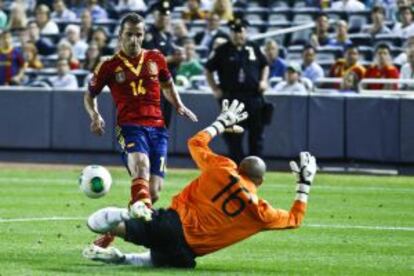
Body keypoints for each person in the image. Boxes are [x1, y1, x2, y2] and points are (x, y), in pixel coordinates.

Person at [82, 99, 317, 269]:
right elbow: (295, 220)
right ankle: (122, 258)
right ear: (260, 181)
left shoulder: (224, 167)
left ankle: (128, 213)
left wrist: (221, 123)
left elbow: (195, 142)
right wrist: (304, 184)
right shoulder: (260, 211)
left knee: (97, 222)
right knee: (155, 260)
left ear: (240, 166)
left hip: (171, 225)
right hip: (186, 254)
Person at [84, 12, 197, 247]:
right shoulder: (109, 65)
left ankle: (112, 231)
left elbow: (167, 84)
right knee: (141, 168)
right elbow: (89, 95)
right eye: (129, 35)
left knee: (152, 193)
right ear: (120, 35)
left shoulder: (156, 58)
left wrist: (178, 104)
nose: (134, 40)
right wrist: (95, 114)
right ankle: (138, 229)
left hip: (158, 128)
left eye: (139, 34)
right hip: (130, 127)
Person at [205, 18, 269, 163]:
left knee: (256, 134)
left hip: (253, 96)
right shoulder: (222, 50)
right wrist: (214, 88)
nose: (237, 35)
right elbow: (208, 69)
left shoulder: (253, 47)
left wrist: (264, 80)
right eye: (234, 31)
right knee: (233, 136)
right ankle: (237, 166)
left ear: (245, 32)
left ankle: (255, 167)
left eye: (240, 31)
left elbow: (264, 64)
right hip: (232, 97)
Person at [143, 0, 185, 128]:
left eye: (167, 15)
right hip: (154, 87)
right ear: (155, 16)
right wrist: (172, 59)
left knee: (165, 123)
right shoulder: (149, 35)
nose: (164, 18)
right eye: (161, 15)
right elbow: (149, 61)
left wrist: (178, 58)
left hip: (168, 86)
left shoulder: (168, 36)